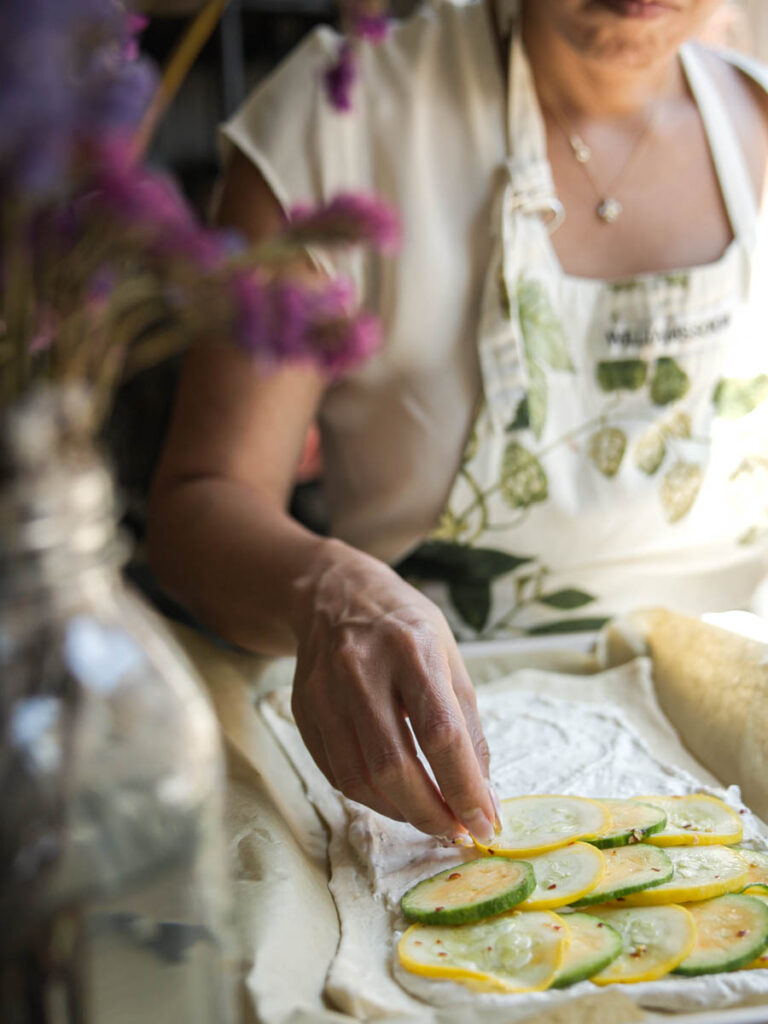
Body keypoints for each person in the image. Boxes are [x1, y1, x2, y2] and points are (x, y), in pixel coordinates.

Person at [148, 0, 768, 846]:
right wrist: (327, 588)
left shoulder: (758, 115)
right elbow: (198, 503)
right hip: (443, 752)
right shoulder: (341, 126)